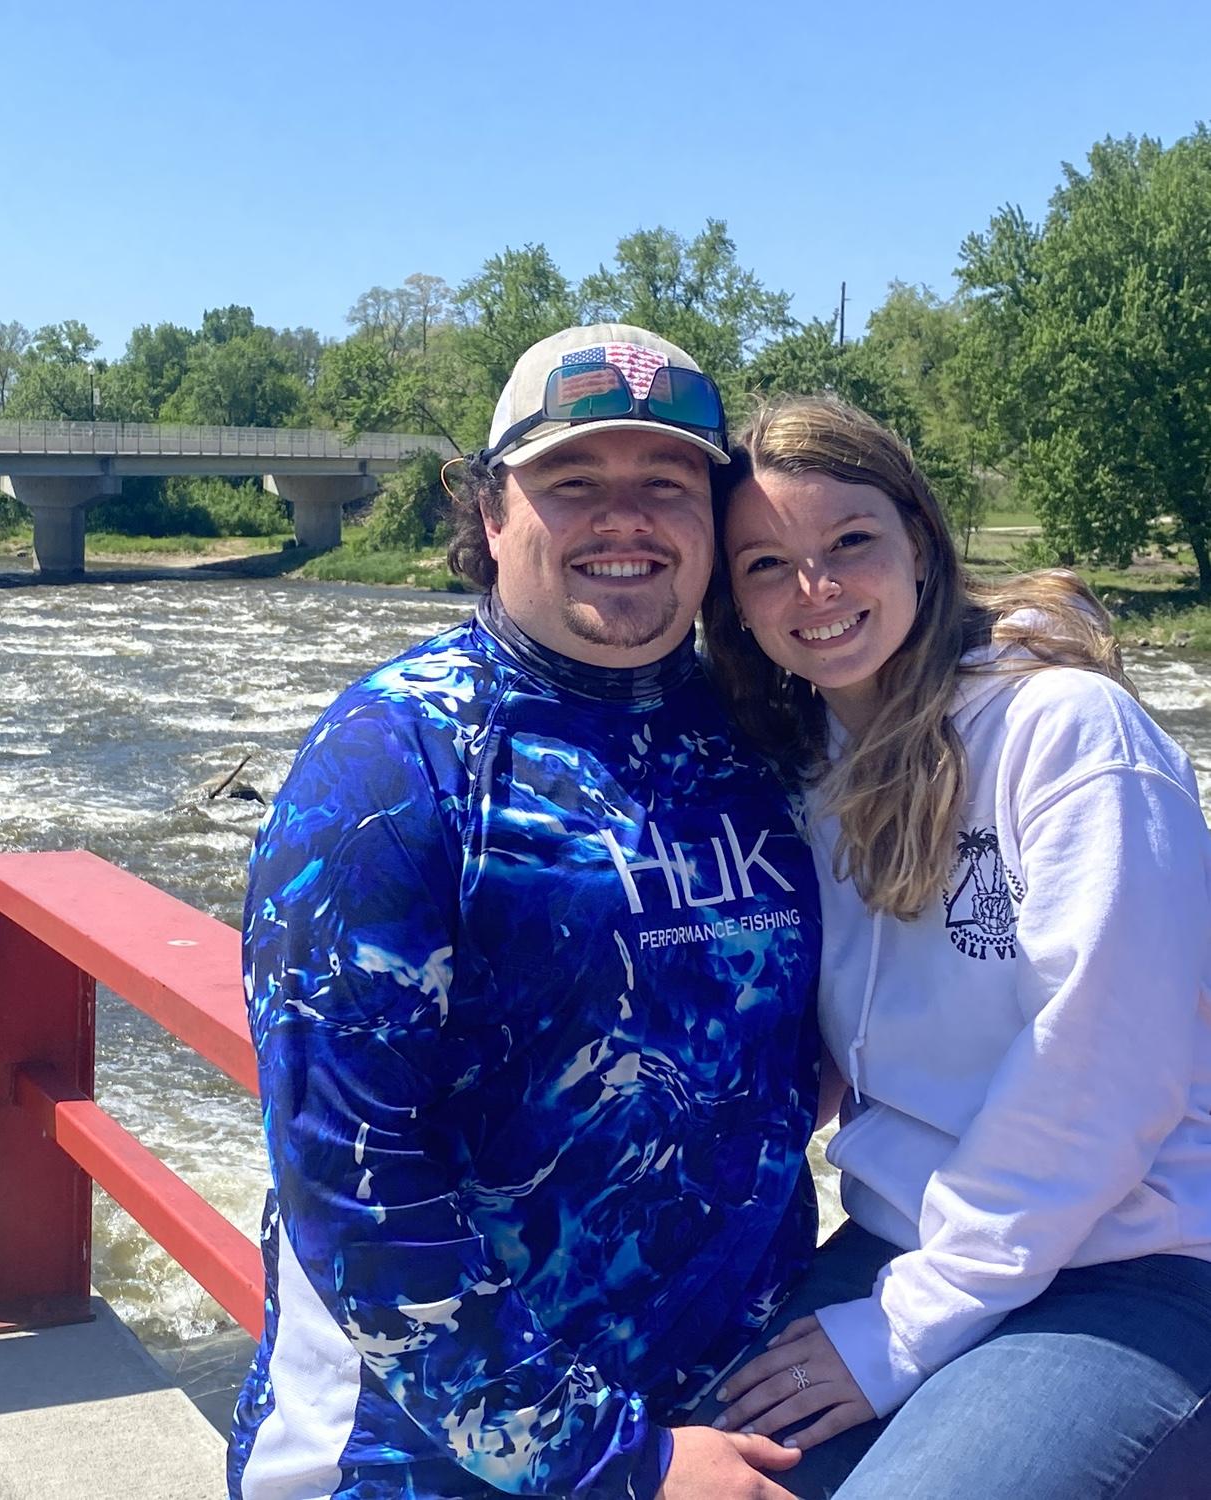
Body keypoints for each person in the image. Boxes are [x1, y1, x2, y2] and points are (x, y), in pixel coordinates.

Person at [228, 326, 825, 1499]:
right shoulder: (391, 763)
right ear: (493, 510)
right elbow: (352, 1177)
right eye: (574, 483)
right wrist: (623, 1465)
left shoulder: (764, 732)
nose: (626, 519)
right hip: (419, 1459)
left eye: (667, 484)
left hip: (732, 1415)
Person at [698, 395, 1211, 1498]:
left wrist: (905, 1328)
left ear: (921, 546)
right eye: (767, 566)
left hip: (1129, 1262)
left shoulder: (1066, 731)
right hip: (902, 1243)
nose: (817, 591)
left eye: (849, 544)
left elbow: (1112, 1065)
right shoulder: (794, 775)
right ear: (732, 605)